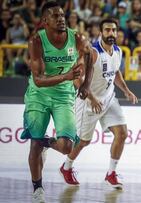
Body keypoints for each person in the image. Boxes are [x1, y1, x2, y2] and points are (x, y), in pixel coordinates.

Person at [20, 1, 93, 203]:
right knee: (34, 144)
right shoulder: (36, 41)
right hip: (38, 95)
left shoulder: (77, 37)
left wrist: (86, 84)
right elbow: (38, 80)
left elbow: (90, 57)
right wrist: (68, 76)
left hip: (63, 96)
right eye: (55, 16)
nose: (61, 18)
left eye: (62, 15)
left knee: (67, 146)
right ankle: (38, 189)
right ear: (45, 21)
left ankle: (45, 142)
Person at [59, 18, 138, 189]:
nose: (111, 33)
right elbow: (76, 79)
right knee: (82, 142)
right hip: (88, 102)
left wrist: (126, 90)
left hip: (108, 99)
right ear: (101, 32)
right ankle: (66, 167)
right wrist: (92, 98)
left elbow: (116, 73)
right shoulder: (92, 52)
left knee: (122, 133)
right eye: (107, 30)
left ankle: (111, 173)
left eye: (114, 30)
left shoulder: (118, 51)